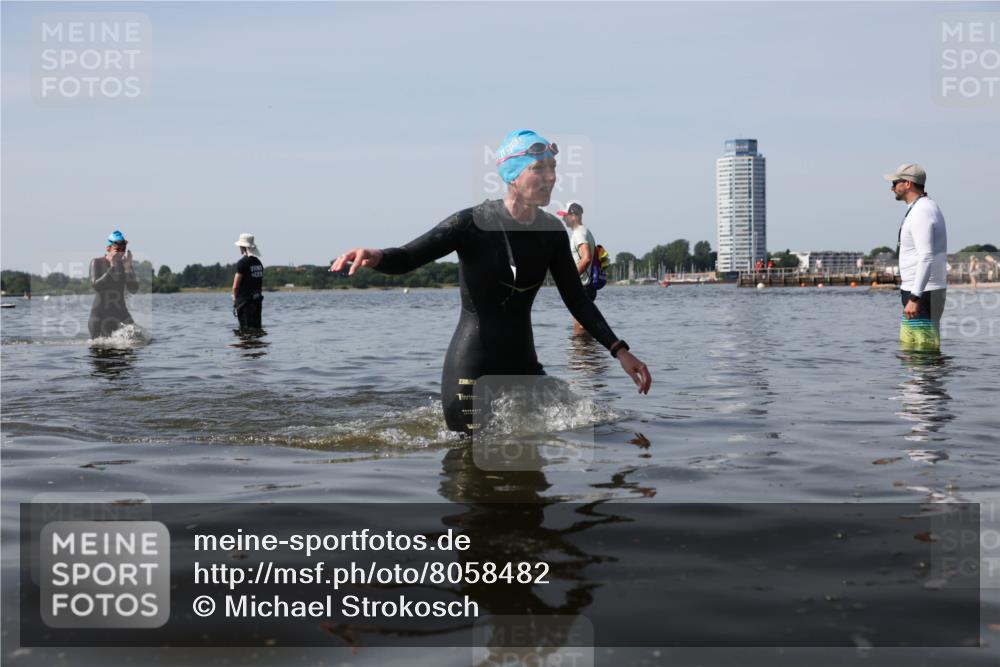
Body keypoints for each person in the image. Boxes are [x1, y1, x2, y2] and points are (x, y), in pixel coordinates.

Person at [331, 129, 652, 434]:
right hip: (471, 370)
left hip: (525, 366)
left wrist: (620, 351)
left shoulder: (552, 233)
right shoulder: (470, 223)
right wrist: (376, 255)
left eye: (553, 168)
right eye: (539, 169)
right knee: (470, 465)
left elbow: (577, 299)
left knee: (584, 435)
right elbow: (409, 256)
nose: (551, 177)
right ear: (512, 174)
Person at [884, 163, 948, 352]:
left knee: (923, 352)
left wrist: (915, 297)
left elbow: (926, 256)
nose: (891, 188)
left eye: (895, 183)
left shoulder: (922, 211)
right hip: (919, 291)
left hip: (923, 293)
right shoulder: (921, 207)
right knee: (911, 351)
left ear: (908, 184)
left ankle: (926, 382)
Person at [89, 230, 139, 338]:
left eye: (123, 250)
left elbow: (133, 289)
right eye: (117, 250)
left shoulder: (125, 265)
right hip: (99, 317)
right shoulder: (97, 262)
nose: (121, 253)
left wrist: (128, 270)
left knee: (137, 340)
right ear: (108, 248)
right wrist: (112, 268)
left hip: (121, 315)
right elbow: (96, 286)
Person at [556, 201, 597, 332]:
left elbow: (586, 258)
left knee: (580, 326)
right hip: (586, 286)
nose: (563, 218)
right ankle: (588, 350)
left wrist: (570, 279)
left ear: (574, 216)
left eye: (565, 215)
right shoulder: (585, 231)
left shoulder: (579, 233)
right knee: (584, 323)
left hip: (582, 286)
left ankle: (580, 351)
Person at [232, 233, 264, 330]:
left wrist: (234, 299)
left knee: (246, 331)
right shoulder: (258, 263)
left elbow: (235, 286)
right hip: (257, 303)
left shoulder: (242, 263)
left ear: (243, 247)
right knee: (257, 330)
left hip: (244, 304)